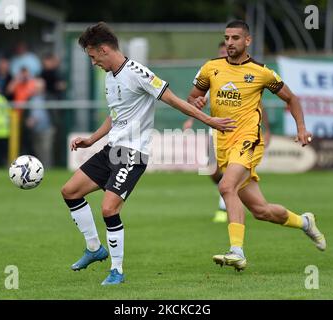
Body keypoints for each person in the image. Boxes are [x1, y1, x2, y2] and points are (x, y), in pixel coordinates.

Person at [60, 22, 235, 286]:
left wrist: (208, 120)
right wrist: (92, 139)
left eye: (94, 57)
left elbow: (175, 100)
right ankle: (94, 248)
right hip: (112, 150)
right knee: (70, 191)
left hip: (133, 153)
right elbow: (116, 115)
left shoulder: (138, 73)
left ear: (104, 49)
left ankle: (117, 270)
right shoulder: (111, 76)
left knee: (109, 208)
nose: (94, 62)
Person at [188, 20, 326, 272]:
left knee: (226, 185)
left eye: (235, 38)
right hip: (223, 143)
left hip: (249, 139)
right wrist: (196, 103)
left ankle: (237, 252)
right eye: (227, 38)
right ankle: (305, 222)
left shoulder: (261, 72)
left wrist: (301, 128)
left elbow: (291, 98)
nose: (230, 43)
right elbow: (193, 96)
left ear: (247, 41)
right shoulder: (211, 68)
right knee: (261, 211)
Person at [183, 41, 271, 223]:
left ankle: (224, 205)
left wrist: (266, 130)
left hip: (242, 134)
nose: (226, 53)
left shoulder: (249, 73)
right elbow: (194, 99)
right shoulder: (213, 71)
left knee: (227, 180)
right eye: (222, 51)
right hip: (216, 130)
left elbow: (260, 105)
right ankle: (228, 194)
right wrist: (190, 118)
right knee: (213, 171)